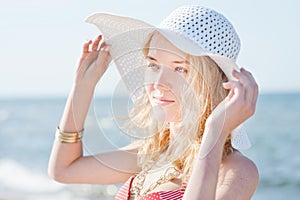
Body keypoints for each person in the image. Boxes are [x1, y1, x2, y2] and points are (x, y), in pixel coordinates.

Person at [48, 5, 259, 200]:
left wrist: (216, 131)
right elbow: (63, 169)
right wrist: (83, 86)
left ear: (211, 82)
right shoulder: (152, 152)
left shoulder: (237, 170)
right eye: (154, 65)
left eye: (180, 69)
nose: (158, 84)